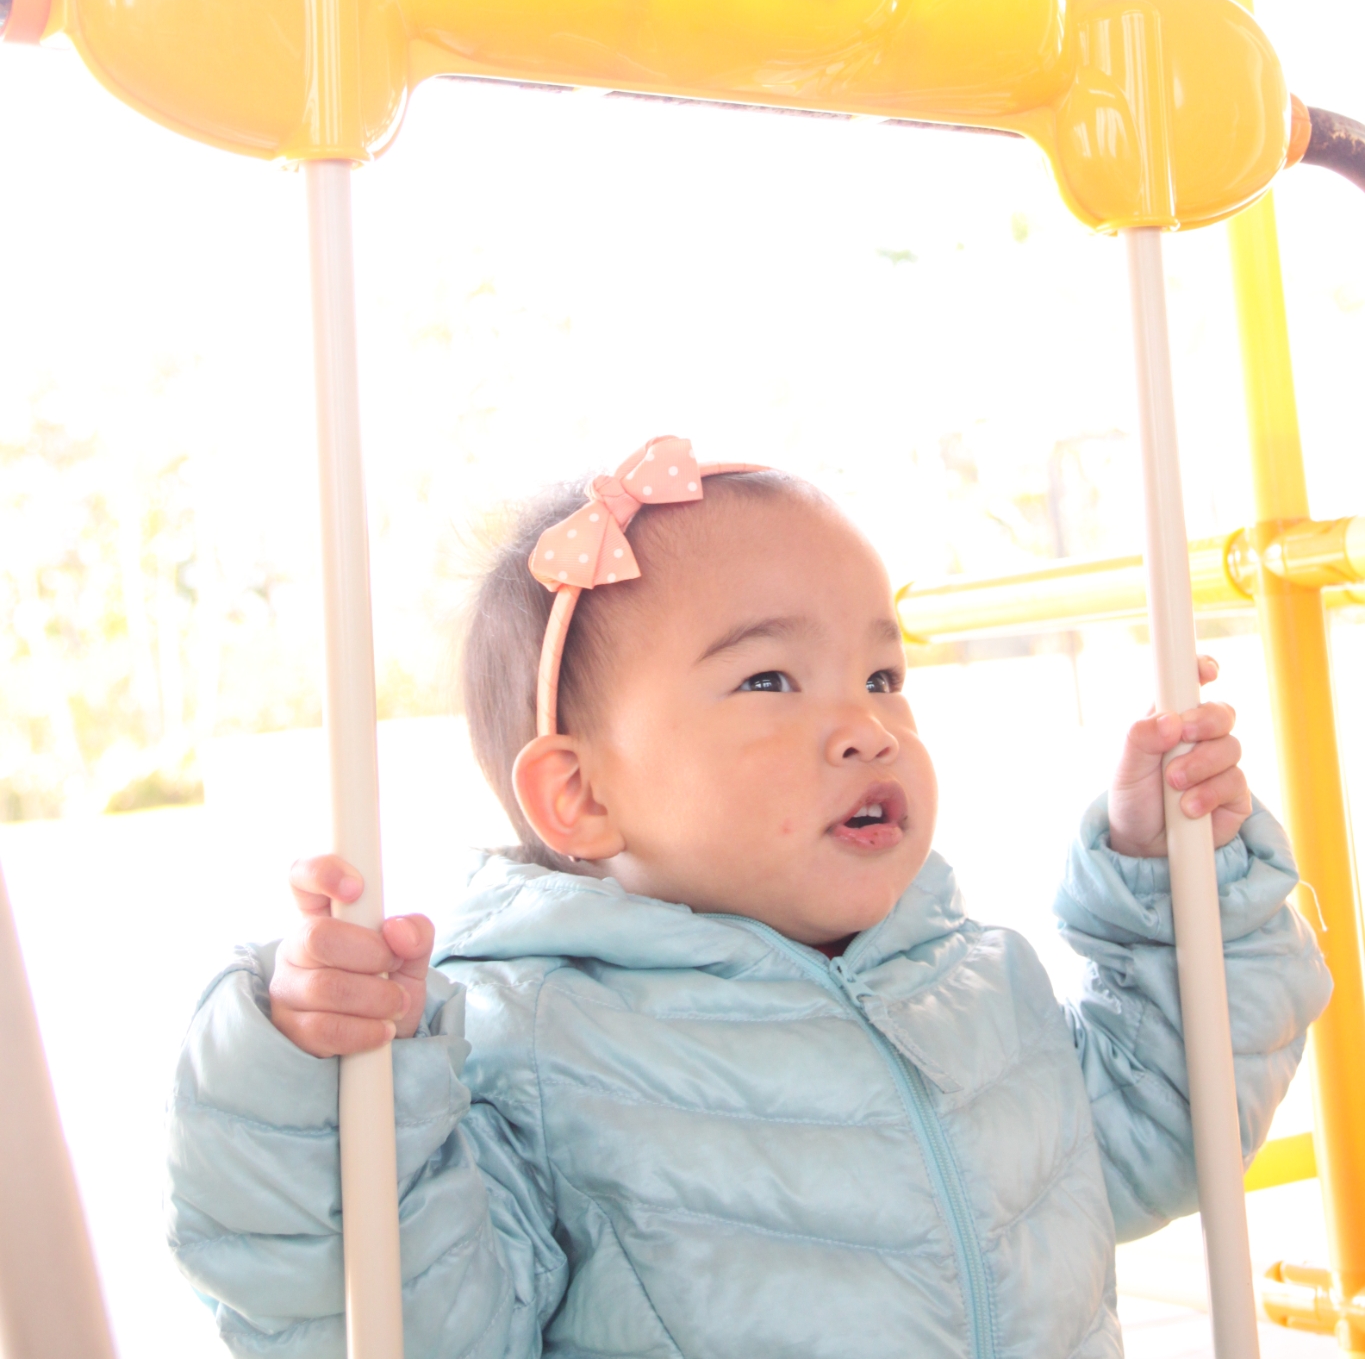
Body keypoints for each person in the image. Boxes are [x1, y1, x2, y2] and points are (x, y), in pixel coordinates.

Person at [167, 440, 1330, 1358]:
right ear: (580, 795)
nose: (864, 723)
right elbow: (406, 1321)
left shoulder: (977, 983)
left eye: (882, 673)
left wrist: (1175, 875)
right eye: (770, 677)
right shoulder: (533, 1045)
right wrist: (313, 1089)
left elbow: (1169, 1118)